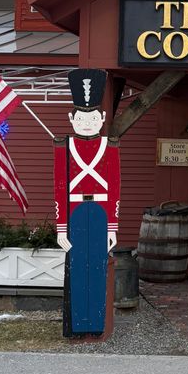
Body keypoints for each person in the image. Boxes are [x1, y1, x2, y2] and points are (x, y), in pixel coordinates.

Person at [53, 68, 121, 337]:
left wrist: (113, 227)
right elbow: (59, 189)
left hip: (101, 213)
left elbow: (114, 188)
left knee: (97, 268)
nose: (87, 122)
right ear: (72, 118)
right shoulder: (63, 146)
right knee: (78, 267)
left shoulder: (110, 146)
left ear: (102, 117)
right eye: (82, 117)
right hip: (75, 212)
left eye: (92, 117)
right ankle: (79, 325)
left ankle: (96, 324)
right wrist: (60, 228)